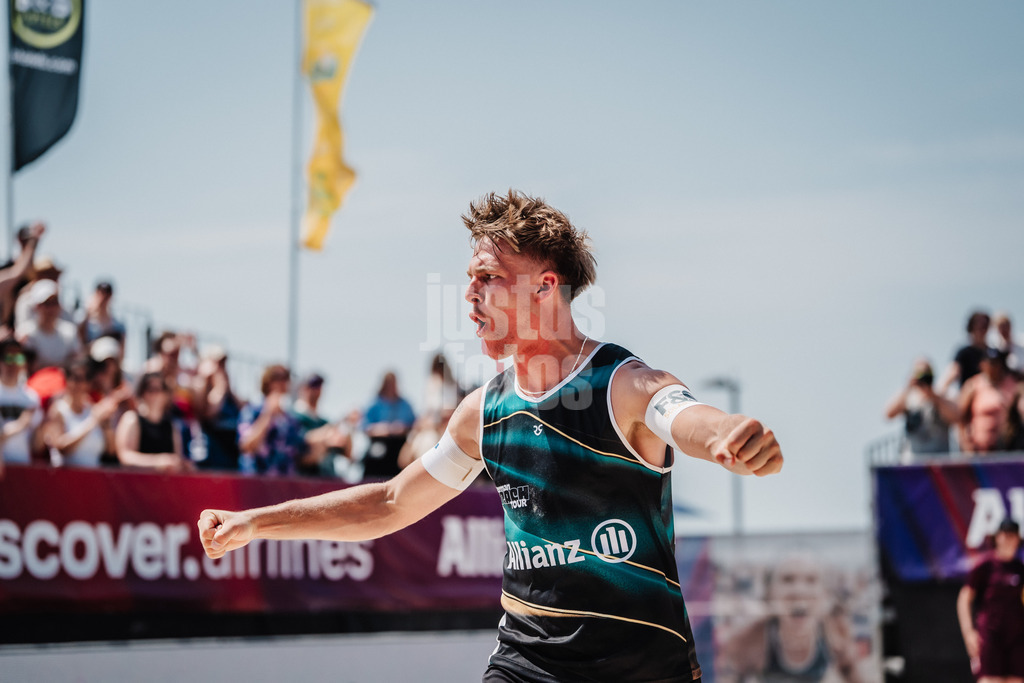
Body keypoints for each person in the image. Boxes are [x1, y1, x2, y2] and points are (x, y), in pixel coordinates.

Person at [199, 190, 783, 682]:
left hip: (642, 664)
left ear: (544, 288)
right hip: (526, 663)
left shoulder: (619, 384)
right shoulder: (482, 413)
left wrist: (728, 433)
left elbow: (683, 415)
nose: (470, 296)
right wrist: (258, 523)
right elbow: (390, 502)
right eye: (469, 279)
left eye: (488, 278)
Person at [715, 553, 868, 683]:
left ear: (824, 593)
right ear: (770, 592)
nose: (799, 590)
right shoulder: (751, 637)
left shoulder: (833, 632)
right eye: (788, 579)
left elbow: (855, 676)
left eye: (811, 580)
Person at [957, 519, 1024, 683]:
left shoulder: (1020, 568)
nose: (1008, 540)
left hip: (1017, 638)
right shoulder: (985, 566)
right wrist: (968, 633)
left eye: (1012, 536)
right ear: (997, 538)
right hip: (991, 636)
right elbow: (964, 599)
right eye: (1005, 535)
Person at [41, 359, 127, 468]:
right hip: (64, 479)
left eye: (85, 379)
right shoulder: (57, 410)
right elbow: (61, 447)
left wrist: (107, 426)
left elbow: (110, 451)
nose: (80, 384)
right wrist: (92, 422)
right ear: (67, 381)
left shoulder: (95, 409)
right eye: (76, 378)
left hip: (93, 478)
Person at [237, 364, 308, 476]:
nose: (283, 382)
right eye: (277, 377)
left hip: (285, 486)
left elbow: (300, 452)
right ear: (267, 381)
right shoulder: (251, 410)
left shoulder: (291, 419)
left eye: (286, 377)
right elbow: (247, 446)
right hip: (255, 481)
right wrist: (268, 414)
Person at [114, 372, 192, 472]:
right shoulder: (132, 419)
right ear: (142, 393)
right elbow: (125, 457)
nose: (155, 394)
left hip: (164, 485)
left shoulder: (171, 425)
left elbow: (176, 457)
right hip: (136, 483)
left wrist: (182, 465)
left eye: (159, 389)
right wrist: (157, 462)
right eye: (150, 389)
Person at [884, 358, 959, 459]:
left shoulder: (944, 395)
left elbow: (956, 417)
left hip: (939, 463)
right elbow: (888, 414)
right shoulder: (908, 397)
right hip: (912, 463)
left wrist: (934, 397)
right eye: (919, 374)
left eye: (926, 375)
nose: (923, 379)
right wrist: (908, 387)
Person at [191, 345, 242, 472]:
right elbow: (209, 413)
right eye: (218, 363)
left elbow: (242, 411)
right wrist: (220, 386)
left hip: (232, 453)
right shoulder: (202, 383)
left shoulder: (227, 388)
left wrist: (228, 389)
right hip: (212, 453)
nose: (222, 367)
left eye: (224, 363)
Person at [959, 349, 1018, 454]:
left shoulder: (1013, 382)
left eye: (997, 363)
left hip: (1009, 449)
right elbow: (961, 418)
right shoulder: (973, 385)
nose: (994, 367)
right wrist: (966, 443)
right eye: (991, 363)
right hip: (981, 450)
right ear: (982, 364)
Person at [15, 279, 81, 371]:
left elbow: (76, 363)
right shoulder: (24, 333)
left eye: (54, 302)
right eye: (46, 303)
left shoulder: (70, 332)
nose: (51, 308)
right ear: (37, 306)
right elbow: (23, 365)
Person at [360, 371, 416, 480]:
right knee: (375, 456)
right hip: (380, 442)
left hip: (400, 443)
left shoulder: (405, 404)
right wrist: (381, 428)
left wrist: (401, 428)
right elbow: (364, 426)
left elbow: (413, 424)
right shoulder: (375, 403)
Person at [0, 337, 42, 470]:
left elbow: (36, 445)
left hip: (23, 467)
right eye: (8, 358)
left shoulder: (32, 397)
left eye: (18, 358)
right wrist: (19, 425)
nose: (13, 364)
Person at [940, 311, 992, 396]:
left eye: (985, 325)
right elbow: (954, 372)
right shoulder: (964, 353)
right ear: (971, 327)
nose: (982, 328)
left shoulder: (993, 354)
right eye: (979, 325)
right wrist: (942, 391)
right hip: (969, 397)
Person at [76, 280, 126, 345]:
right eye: (100, 292)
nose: (103, 297)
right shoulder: (84, 319)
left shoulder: (118, 325)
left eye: (107, 293)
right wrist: (88, 312)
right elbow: (78, 341)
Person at [990, 312, 1024, 378]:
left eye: (1006, 325)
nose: (1004, 329)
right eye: (1001, 326)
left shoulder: (1021, 342)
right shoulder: (994, 347)